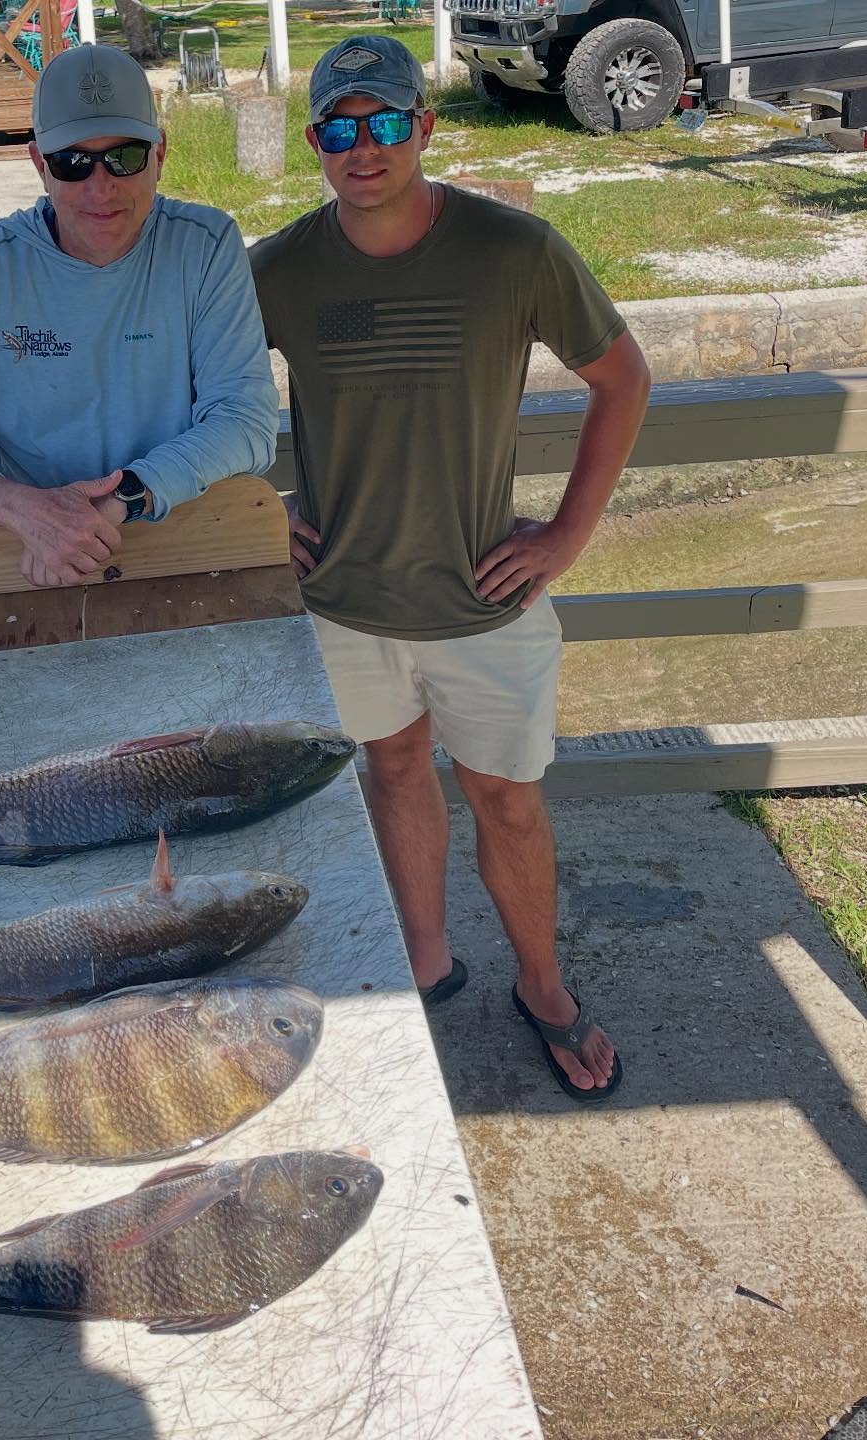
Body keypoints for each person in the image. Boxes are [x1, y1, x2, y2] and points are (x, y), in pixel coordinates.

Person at [249, 36, 652, 1102]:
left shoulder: (516, 250)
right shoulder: (277, 270)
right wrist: (254, 510)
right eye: (339, 129)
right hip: (343, 602)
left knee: (508, 802)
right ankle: (423, 966)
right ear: (314, 142)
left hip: (488, 602)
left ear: (424, 127)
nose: (364, 147)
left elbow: (624, 379)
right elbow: (202, 399)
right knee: (391, 772)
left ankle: (543, 985)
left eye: (387, 122)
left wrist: (566, 537)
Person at [0, 43, 278, 590]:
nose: (100, 187)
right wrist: (26, 510)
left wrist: (121, 499)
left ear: (160, 154)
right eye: (72, 163)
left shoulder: (206, 245)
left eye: (124, 157)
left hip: (175, 537)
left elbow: (246, 420)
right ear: (39, 165)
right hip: (19, 554)